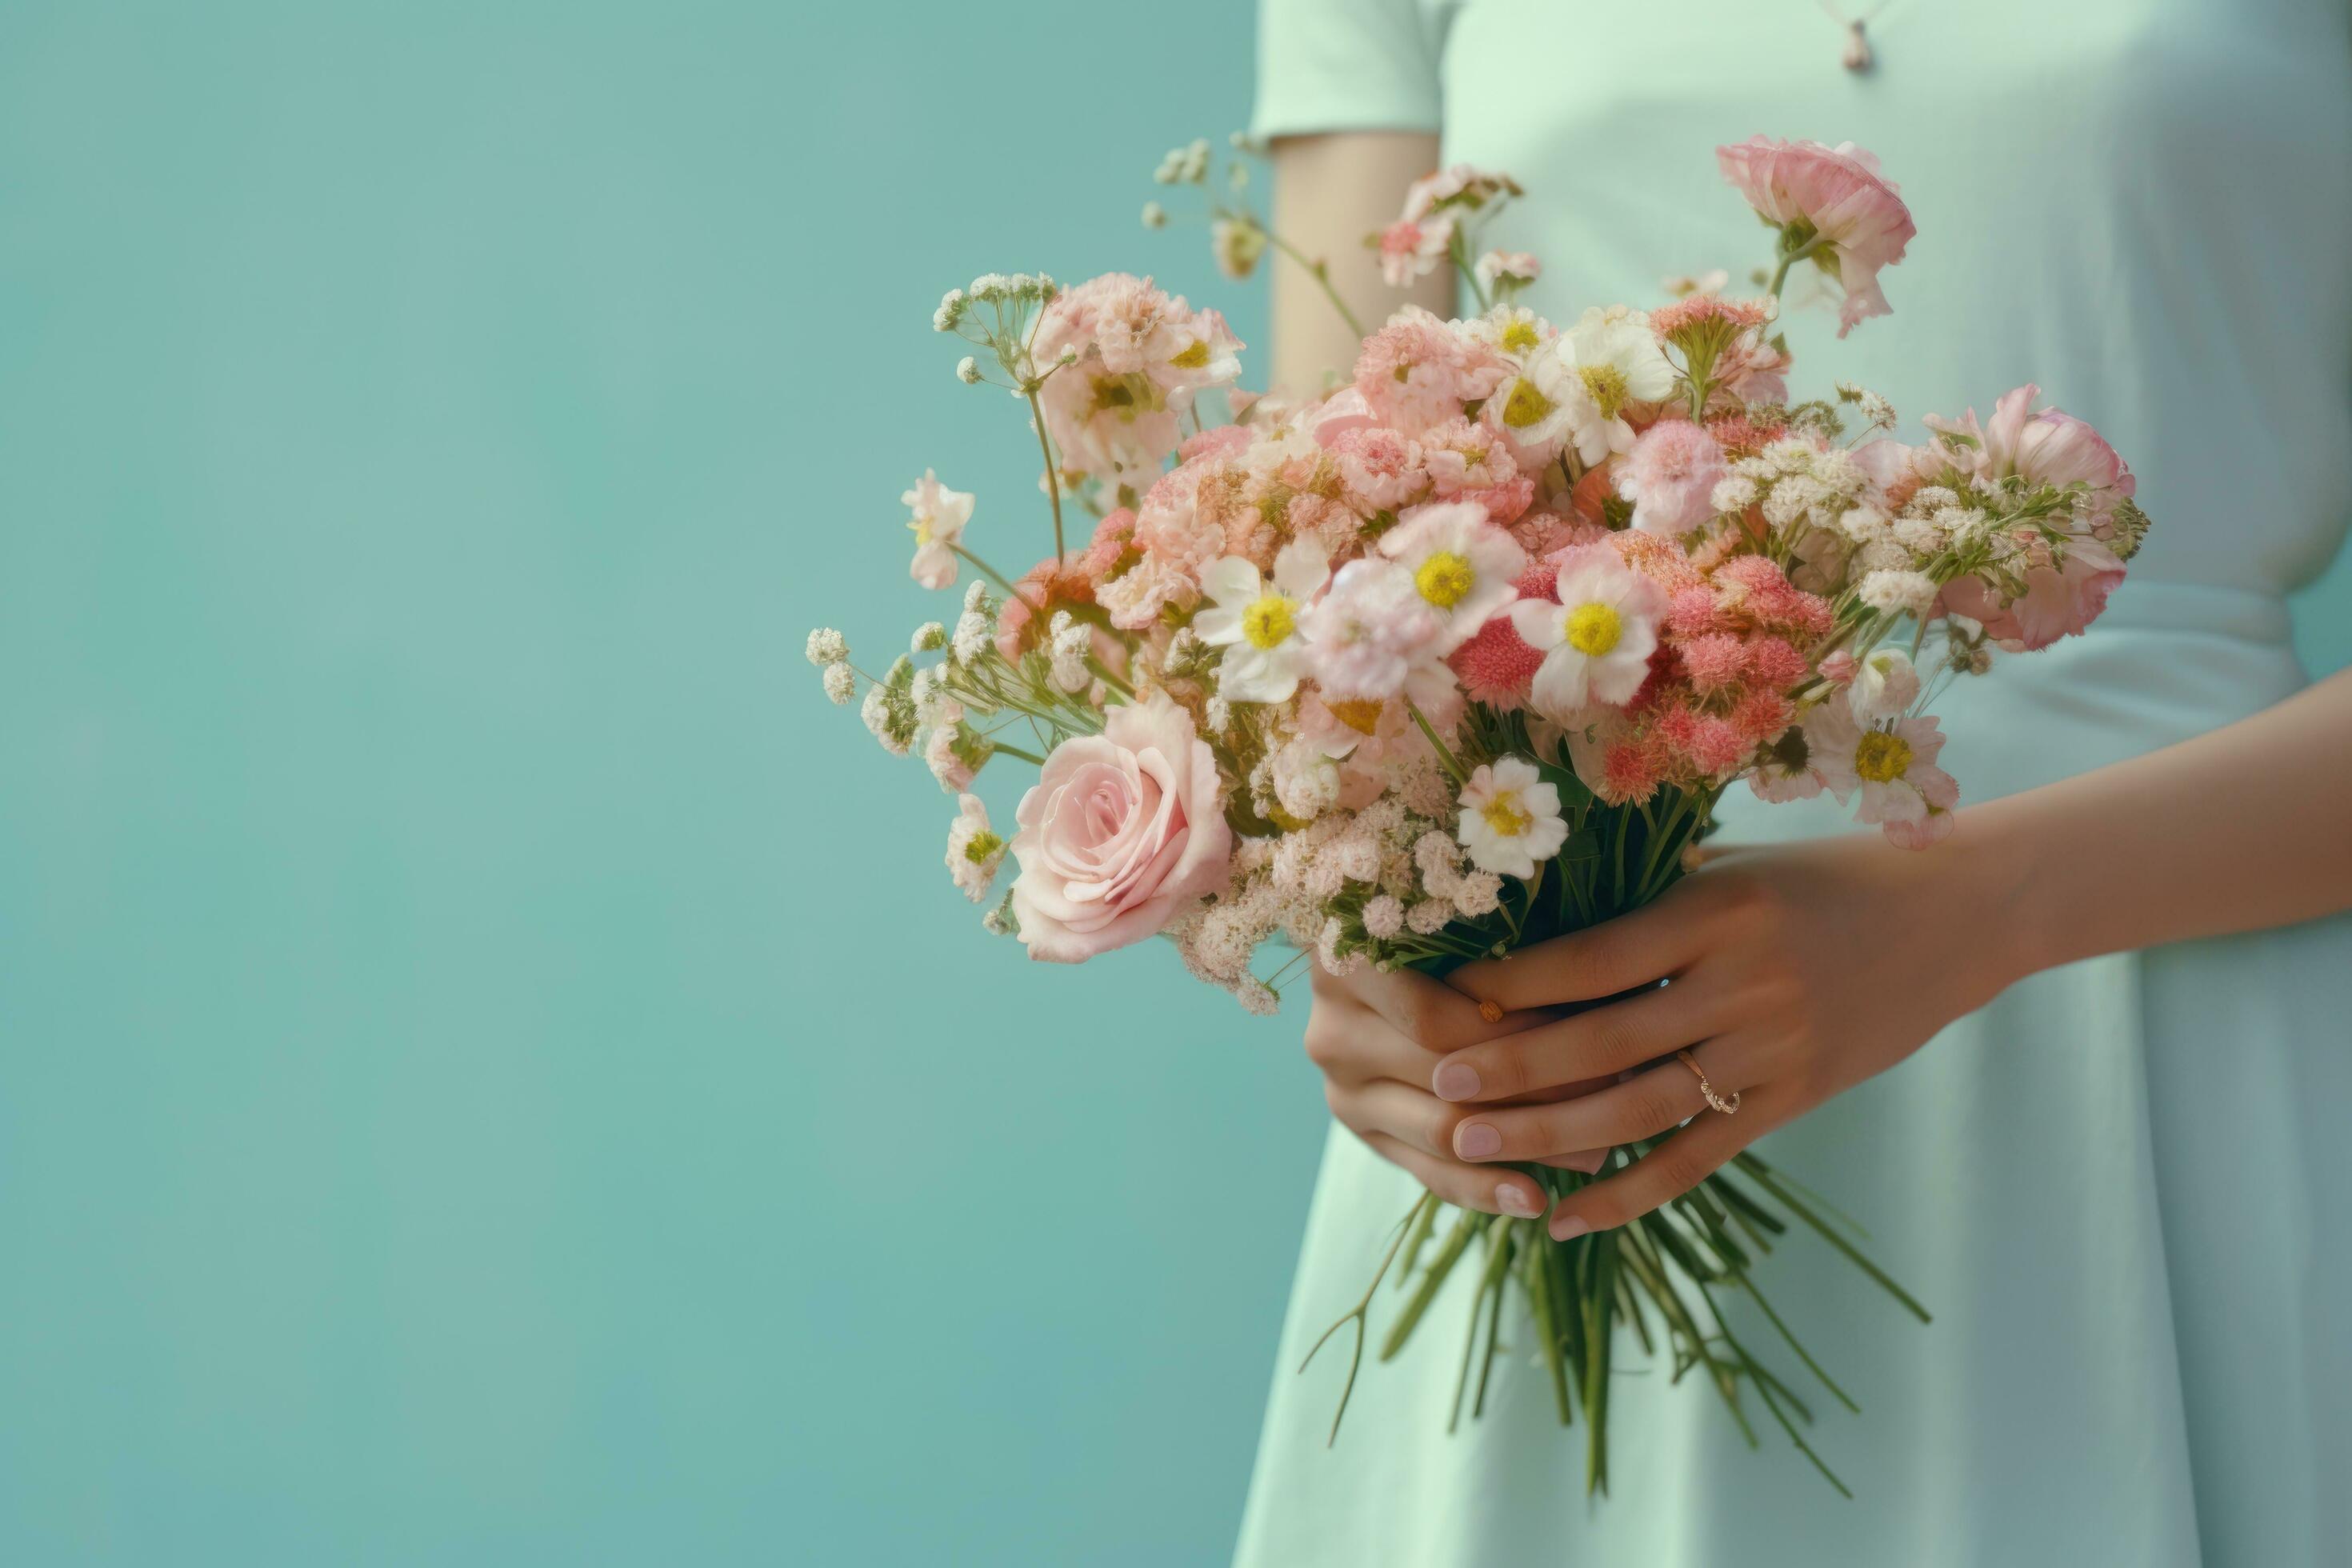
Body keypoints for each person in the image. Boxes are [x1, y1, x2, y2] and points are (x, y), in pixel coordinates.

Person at [1235, 2, 2352, 1562]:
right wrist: (1374, 940)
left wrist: (1976, 907)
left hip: (2174, 1056)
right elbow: (1334, 524)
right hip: (1566, 1034)